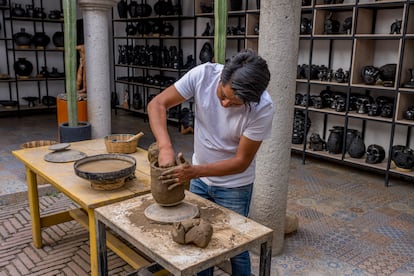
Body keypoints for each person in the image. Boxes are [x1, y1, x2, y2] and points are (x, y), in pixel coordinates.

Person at [147, 49, 274, 276]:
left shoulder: (262, 107)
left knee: (236, 245)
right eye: (222, 95)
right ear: (221, 77)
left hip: (235, 185)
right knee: (198, 241)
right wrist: (165, 146)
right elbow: (157, 104)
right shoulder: (202, 76)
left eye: (234, 103)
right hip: (198, 180)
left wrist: (194, 172)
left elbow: (241, 162)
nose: (225, 104)